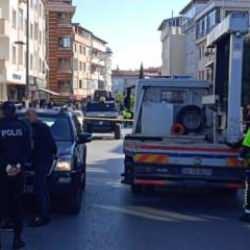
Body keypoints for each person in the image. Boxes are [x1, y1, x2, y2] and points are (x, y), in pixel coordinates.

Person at [0, 101, 32, 249]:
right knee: (17, 205)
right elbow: (28, 148)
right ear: (14, 111)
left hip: (1, 172)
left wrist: (5, 166)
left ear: (3, 112)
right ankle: (17, 240)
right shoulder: (23, 126)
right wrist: (18, 165)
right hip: (18, 172)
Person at [26, 109, 57, 227]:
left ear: (34, 116)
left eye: (29, 116)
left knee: (40, 188)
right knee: (40, 188)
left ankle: (43, 216)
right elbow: (53, 146)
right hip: (39, 161)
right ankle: (41, 213)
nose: (28, 118)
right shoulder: (40, 127)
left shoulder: (38, 128)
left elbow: (51, 146)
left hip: (40, 161)